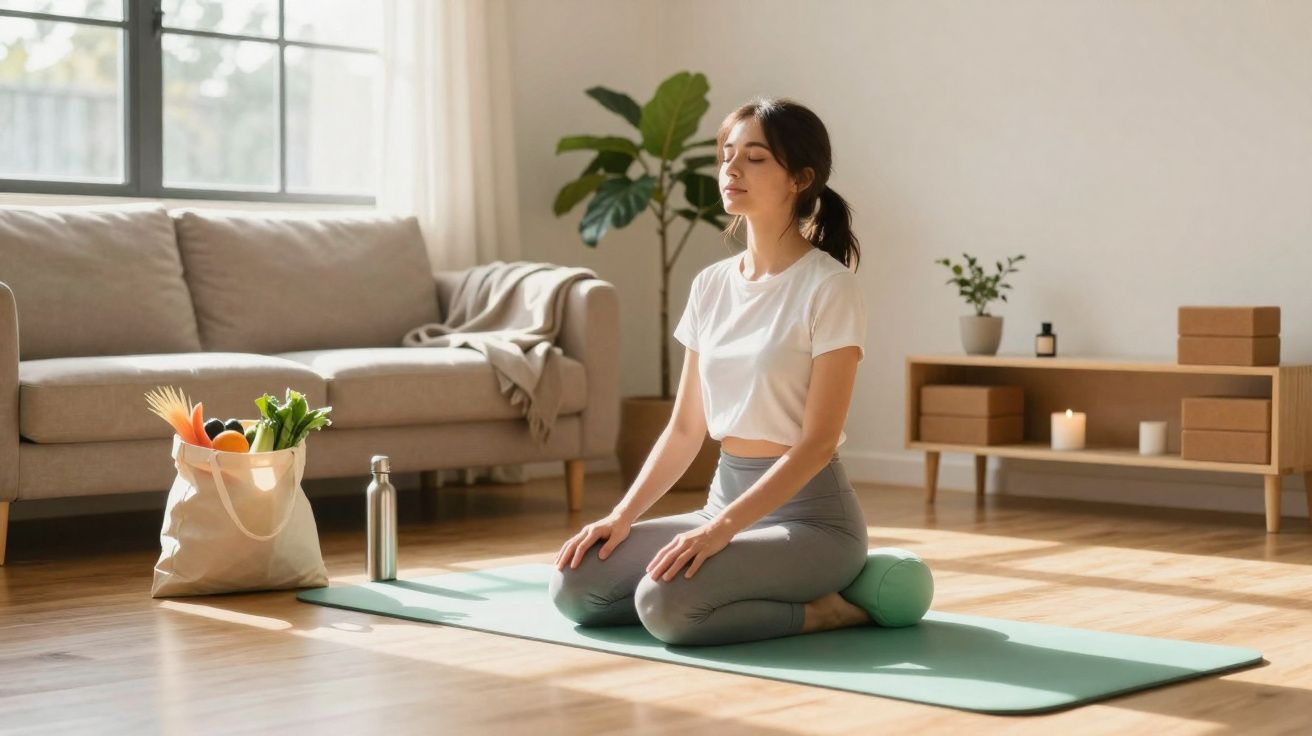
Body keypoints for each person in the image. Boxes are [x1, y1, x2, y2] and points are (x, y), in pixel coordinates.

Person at [549, 97, 871, 646]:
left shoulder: (829, 287)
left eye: (755, 158)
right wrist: (621, 517)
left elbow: (816, 444)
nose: (731, 170)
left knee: (667, 606)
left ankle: (825, 613)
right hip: (723, 503)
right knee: (576, 585)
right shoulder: (711, 285)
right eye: (726, 156)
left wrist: (721, 531)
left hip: (810, 524)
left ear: (800, 177)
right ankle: (727, 586)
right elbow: (684, 430)